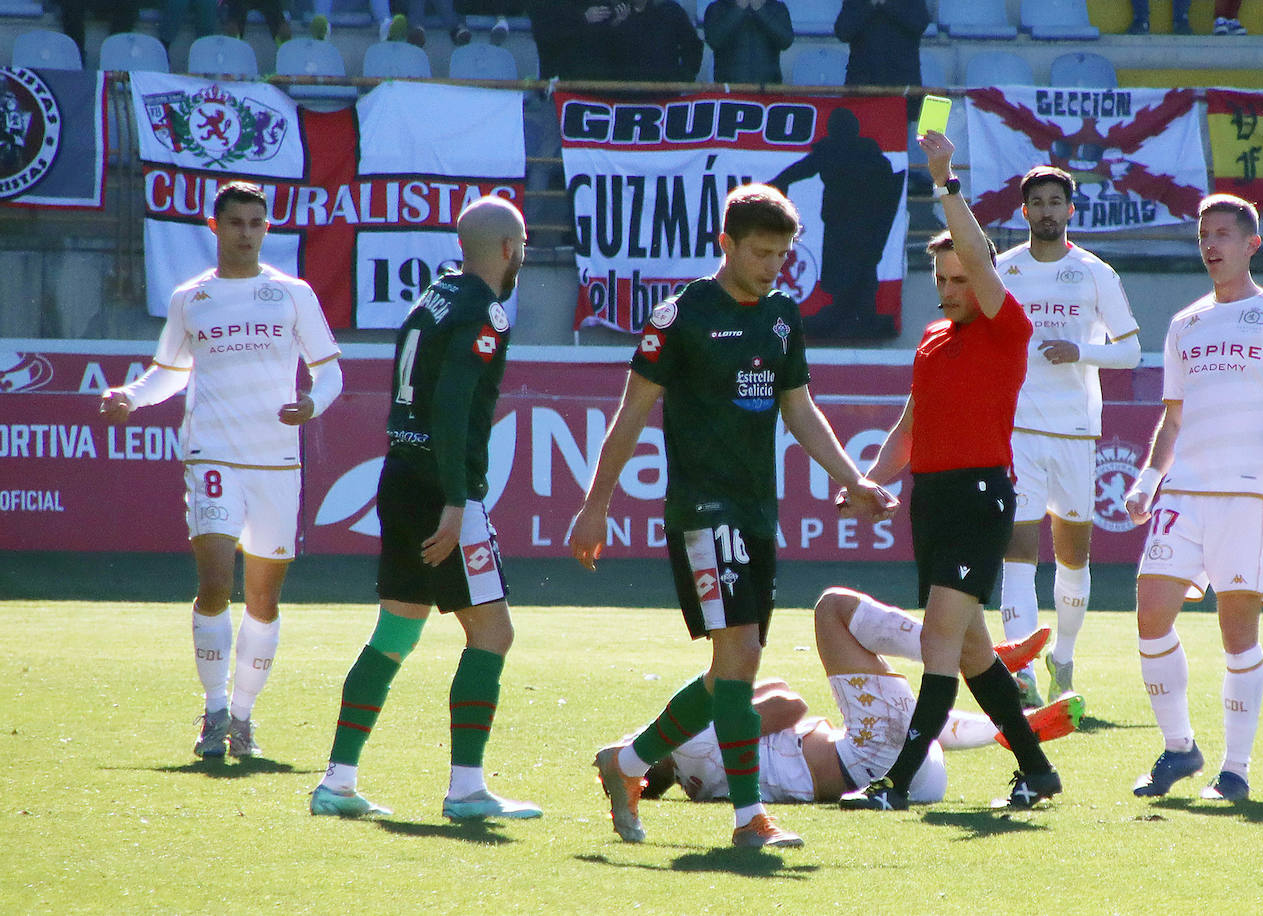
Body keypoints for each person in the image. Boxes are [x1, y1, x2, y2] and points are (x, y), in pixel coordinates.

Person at [569, 182, 898, 849]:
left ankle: (626, 763)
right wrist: (594, 504)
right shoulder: (680, 315)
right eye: (759, 252)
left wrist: (854, 478)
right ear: (726, 244)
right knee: (740, 655)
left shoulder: (781, 313)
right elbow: (631, 414)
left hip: (754, 512)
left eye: (781, 253)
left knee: (730, 669)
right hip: (702, 509)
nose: (772, 266)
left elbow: (800, 409)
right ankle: (750, 821)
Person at [836, 130, 1064, 813]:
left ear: (982, 274)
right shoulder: (935, 340)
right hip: (932, 501)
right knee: (970, 654)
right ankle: (1037, 770)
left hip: (977, 498)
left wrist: (945, 180)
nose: (948, 288)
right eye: (939, 279)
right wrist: (871, 481)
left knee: (939, 639)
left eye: (960, 276)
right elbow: (910, 426)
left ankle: (895, 783)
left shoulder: (1006, 326)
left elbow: (977, 259)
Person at [309, 196, 540, 821]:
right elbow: (453, 402)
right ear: (506, 248)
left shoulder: (433, 298)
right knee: (493, 633)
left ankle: (338, 782)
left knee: (397, 629)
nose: (524, 255)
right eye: (521, 244)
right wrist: (457, 501)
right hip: (442, 490)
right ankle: (467, 789)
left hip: (400, 475)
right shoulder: (484, 311)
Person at [99, 181, 343, 760]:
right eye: (236, 223)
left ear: (266, 228)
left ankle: (243, 716)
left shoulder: (292, 294)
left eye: (256, 223)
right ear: (216, 227)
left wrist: (311, 403)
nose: (247, 233)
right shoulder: (192, 298)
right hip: (211, 454)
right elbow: (169, 372)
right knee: (214, 582)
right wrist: (131, 396)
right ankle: (212, 714)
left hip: (276, 461)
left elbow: (330, 370)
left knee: (263, 599)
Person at [1124, 194, 1263, 803]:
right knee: (1149, 612)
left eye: (1223, 234)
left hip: (1249, 497)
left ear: (1251, 244)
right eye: (1203, 235)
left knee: (1236, 633)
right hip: (1184, 493)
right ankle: (1179, 748)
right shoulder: (1185, 323)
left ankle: (1235, 770)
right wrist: (1147, 478)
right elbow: (1172, 418)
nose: (1211, 245)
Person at [635, 588, 1081, 806]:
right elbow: (790, 703)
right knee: (832, 609)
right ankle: (972, 657)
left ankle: (1003, 728)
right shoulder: (688, 740)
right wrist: (722, 691)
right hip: (870, 757)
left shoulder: (696, 786)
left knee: (919, 723)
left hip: (922, 780)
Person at [996, 165, 1141, 707]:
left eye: (1058, 201)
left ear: (1070, 211)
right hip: (1016, 431)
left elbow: (1130, 351)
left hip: (1077, 432)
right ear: (1025, 211)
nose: (1048, 210)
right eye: (1039, 201)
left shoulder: (1094, 272)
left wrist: (1080, 351)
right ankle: (1022, 668)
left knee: (1073, 558)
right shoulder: (1003, 270)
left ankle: (1065, 660)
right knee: (1016, 549)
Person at [770, 107, 906, 340]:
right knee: (842, 269)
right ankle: (843, 311)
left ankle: (862, 316)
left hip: (862, 224)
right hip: (839, 222)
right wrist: (776, 184)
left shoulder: (866, 153)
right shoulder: (833, 150)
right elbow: (800, 169)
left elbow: (886, 187)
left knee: (863, 267)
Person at [833, 0, 930, 97]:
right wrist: (870, 5)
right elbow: (842, 32)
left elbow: (920, 23)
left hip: (902, 81)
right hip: (862, 82)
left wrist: (886, 4)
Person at [608, 0, 704, 82]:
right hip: (624, 94)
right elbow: (607, 53)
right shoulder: (614, 13)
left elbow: (692, 46)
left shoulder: (670, 11)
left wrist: (684, 78)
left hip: (665, 92)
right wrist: (617, 24)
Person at [703, 0, 793, 84]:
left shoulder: (777, 8)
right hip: (729, 89)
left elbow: (786, 41)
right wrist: (738, 9)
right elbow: (714, 40)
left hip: (768, 89)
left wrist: (760, 10)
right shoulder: (716, 8)